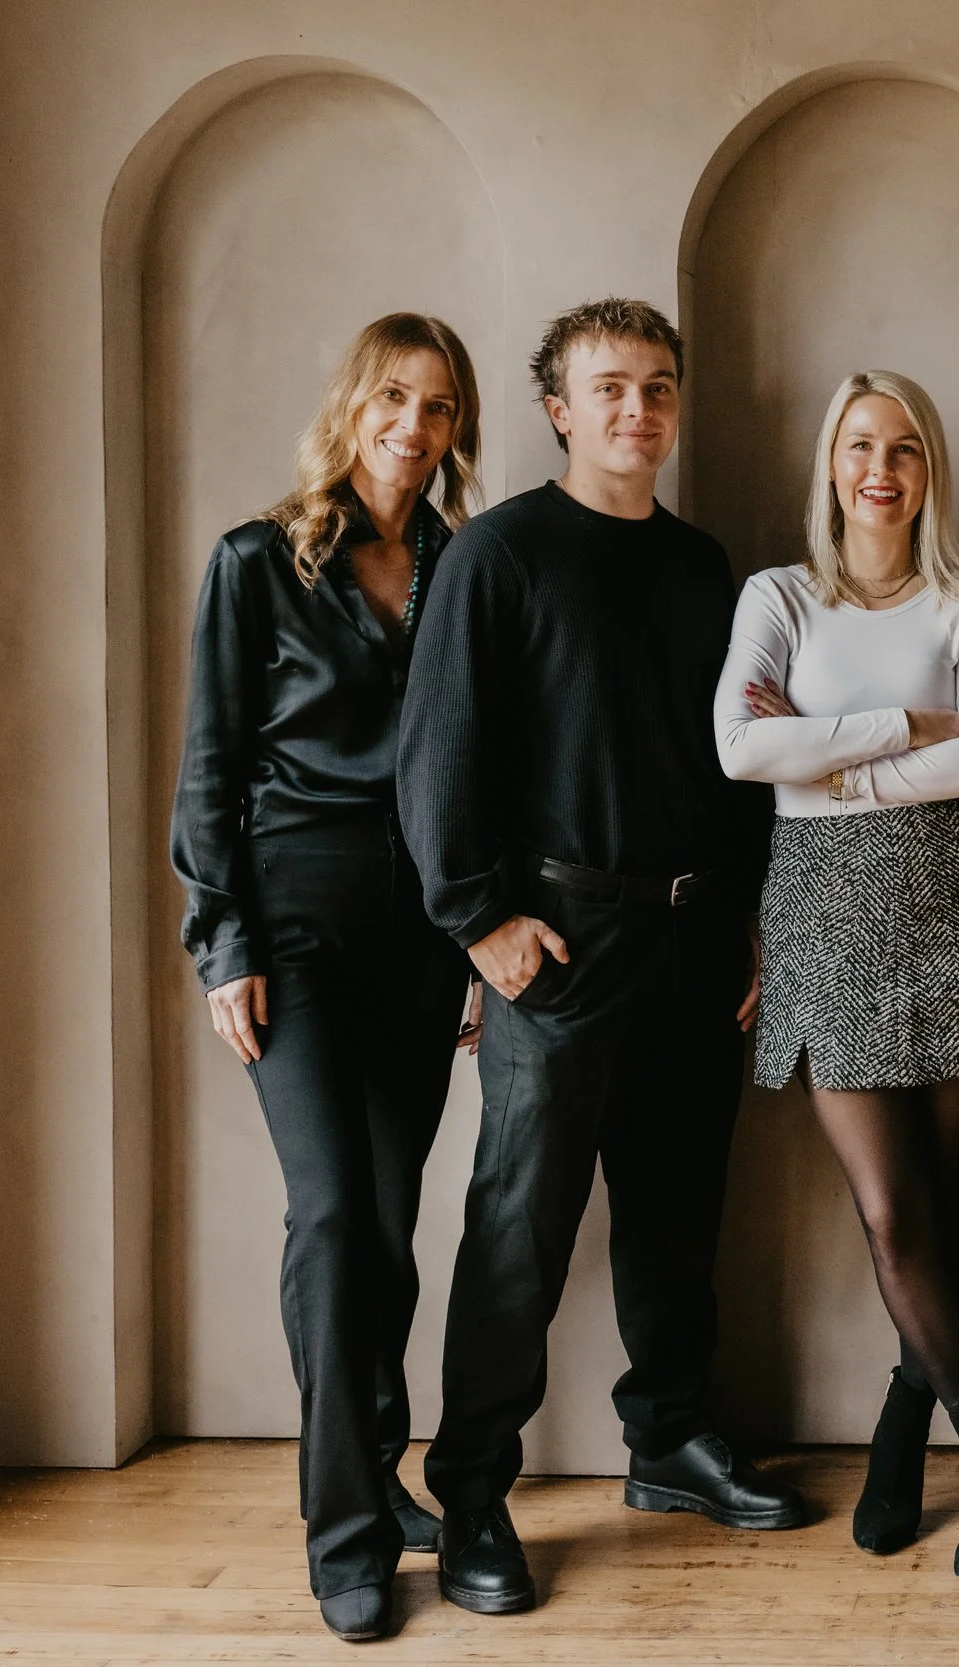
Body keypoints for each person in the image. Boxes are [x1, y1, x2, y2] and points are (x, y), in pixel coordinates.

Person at [398, 297, 804, 1618]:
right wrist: (478, 919)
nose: (641, 409)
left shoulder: (708, 566)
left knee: (680, 1207)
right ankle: (469, 1493)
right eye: (612, 387)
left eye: (661, 387)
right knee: (519, 1224)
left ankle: (670, 1438)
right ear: (560, 408)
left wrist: (749, 916)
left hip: (694, 932)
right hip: (557, 941)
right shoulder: (500, 553)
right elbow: (440, 748)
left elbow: (740, 762)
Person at [169, 312, 484, 1642]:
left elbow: (486, 768)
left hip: (421, 933)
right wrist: (221, 939)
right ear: (354, 406)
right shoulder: (256, 560)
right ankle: (347, 1533)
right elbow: (208, 765)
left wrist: (480, 934)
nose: (415, 426)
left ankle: (378, 1464)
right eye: (396, 398)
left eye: (440, 407)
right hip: (290, 924)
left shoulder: (465, 565)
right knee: (333, 1215)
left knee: (388, 1231)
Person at [714, 370, 959, 1577]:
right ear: (831, 462)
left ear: (928, 467)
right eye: (860, 445)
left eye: (904, 446)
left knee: (944, 1209)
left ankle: (905, 1418)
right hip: (819, 911)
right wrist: (910, 729)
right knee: (893, 1210)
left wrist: (829, 768)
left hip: (950, 902)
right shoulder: (779, 595)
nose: (880, 468)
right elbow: (739, 747)